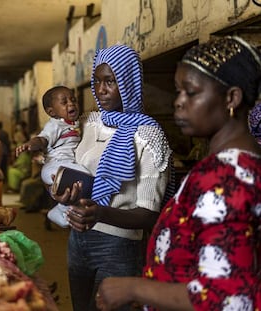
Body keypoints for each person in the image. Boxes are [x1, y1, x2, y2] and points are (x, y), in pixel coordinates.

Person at [95, 36, 261, 311]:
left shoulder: (224, 178)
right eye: (178, 91)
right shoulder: (240, 164)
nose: (178, 103)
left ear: (232, 97)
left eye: (191, 92)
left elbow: (224, 298)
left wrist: (135, 288)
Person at [52, 45, 174, 311]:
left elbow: (150, 214)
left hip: (119, 246)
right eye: (97, 81)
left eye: (111, 81)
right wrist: (60, 190)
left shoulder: (149, 136)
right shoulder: (87, 123)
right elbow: (66, 166)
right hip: (77, 239)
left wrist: (100, 214)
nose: (101, 89)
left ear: (129, 81)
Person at [16, 85, 85, 227]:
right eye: (64, 102)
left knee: (77, 189)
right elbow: (43, 139)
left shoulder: (75, 123)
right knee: (84, 177)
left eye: (73, 100)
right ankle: (59, 210)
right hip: (54, 166)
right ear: (52, 112)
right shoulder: (55, 125)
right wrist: (31, 144)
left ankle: (61, 211)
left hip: (65, 165)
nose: (71, 104)